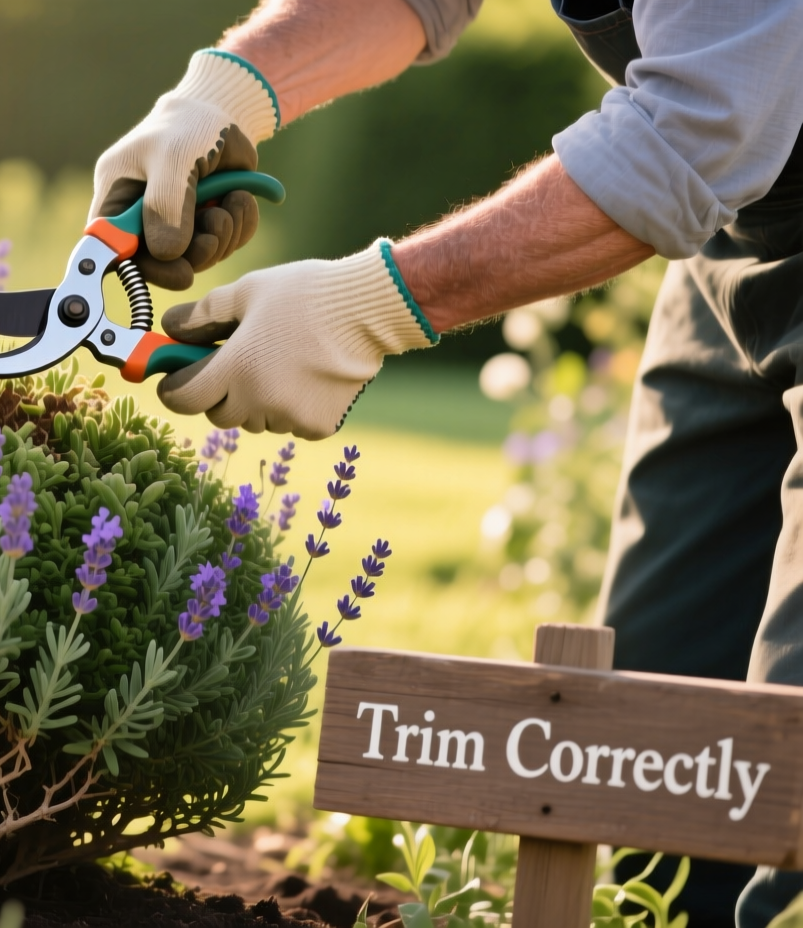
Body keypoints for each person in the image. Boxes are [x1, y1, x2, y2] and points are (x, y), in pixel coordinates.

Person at [90, 0, 803, 923]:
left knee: (794, 817)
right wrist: (224, 89)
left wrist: (368, 307)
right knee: (643, 766)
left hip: (720, 156)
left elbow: (692, 135)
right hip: (737, 234)